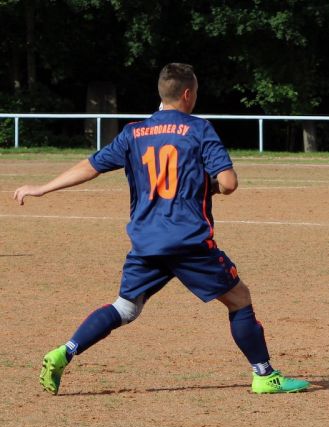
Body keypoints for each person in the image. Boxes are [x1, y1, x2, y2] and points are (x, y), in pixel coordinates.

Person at [13, 63, 310, 395]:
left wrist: (42, 187)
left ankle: (64, 351)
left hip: (146, 240)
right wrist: (210, 186)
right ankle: (264, 375)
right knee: (239, 298)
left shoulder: (133, 133)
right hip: (187, 240)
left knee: (125, 307)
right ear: (187, 94)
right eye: (195, 92)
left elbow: (92, 165)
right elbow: (229, 183)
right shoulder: (199, 130)